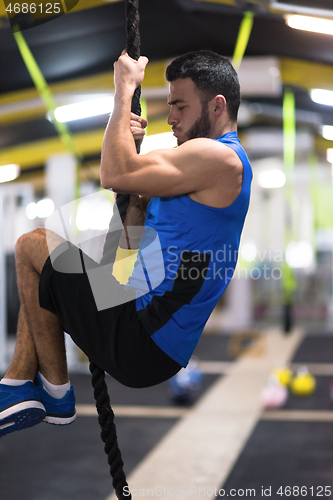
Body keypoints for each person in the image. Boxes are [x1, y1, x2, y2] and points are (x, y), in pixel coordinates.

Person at [0, 50, 252, 437]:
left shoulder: (223, 158)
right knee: (43, 270)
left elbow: (112, 172)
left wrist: (123, 90)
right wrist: (133, 194)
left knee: (33, 245)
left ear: (217, 106)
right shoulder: (193, 179)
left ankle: (43, 390)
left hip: (145, 340)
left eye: (180, 106)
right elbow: (123, 262)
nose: (170, 118)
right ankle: (29, 388)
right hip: (142, 328)